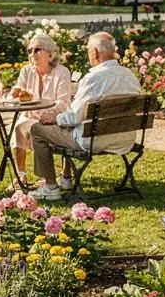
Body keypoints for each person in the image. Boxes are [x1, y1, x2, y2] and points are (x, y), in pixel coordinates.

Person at [30, 30, 143, 201]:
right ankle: (66, 179)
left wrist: (54, 118)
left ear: (94, 52)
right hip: (124, 139)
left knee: (37, 129)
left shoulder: (93, 78)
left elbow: (73, 117)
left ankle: (51, 187)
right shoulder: (129, 75)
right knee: (67, 124)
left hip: (93, 141)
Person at [9, 32, 74, 189]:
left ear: (50, 53)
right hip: (31, 116)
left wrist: (46, 115)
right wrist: (16, 91)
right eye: (29, 50)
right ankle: (21, 174)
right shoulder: (26, 71)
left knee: (42, 127)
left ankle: (60, 177)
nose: (32, 54)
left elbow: (63, 103)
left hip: (53, 119)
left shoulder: (62, 72)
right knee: (19, 125)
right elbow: (19, 92)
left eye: (37, 49)